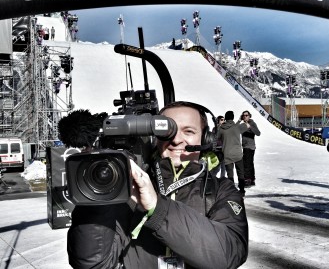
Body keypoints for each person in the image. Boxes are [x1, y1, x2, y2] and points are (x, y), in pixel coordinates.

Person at [67, 101, 249, 269]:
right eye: (167, 130)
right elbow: (91, 262)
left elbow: (228, 254)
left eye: (189, 131)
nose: (177, 140)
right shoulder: (127, 189)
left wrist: (157, 208)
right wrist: (100, 193)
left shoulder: (221, 189)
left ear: (206, 138)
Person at [217, 110, 249, 196]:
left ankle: (232, 192)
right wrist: (243, 120)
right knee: (240, 173)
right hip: (238, 154)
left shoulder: (221, 129)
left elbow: (217, 138)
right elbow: (247, 126)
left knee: (230, 174)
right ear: (233, 117)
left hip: (227, 154)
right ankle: (242, 190)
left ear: (226, 118)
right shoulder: (237, 127)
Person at [239, 110, 261, 187]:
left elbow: (258, 133)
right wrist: (239, 120)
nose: (245, 117)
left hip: (250, 146)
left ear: (249, 116)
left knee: (247, 164)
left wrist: (250, 127)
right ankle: (252, 180)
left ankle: (247, 180)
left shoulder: (252, 123)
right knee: (250, 163)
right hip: (245, 146)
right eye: (244, 115)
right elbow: (234, 129)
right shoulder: (242, 125)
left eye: (246, 115)